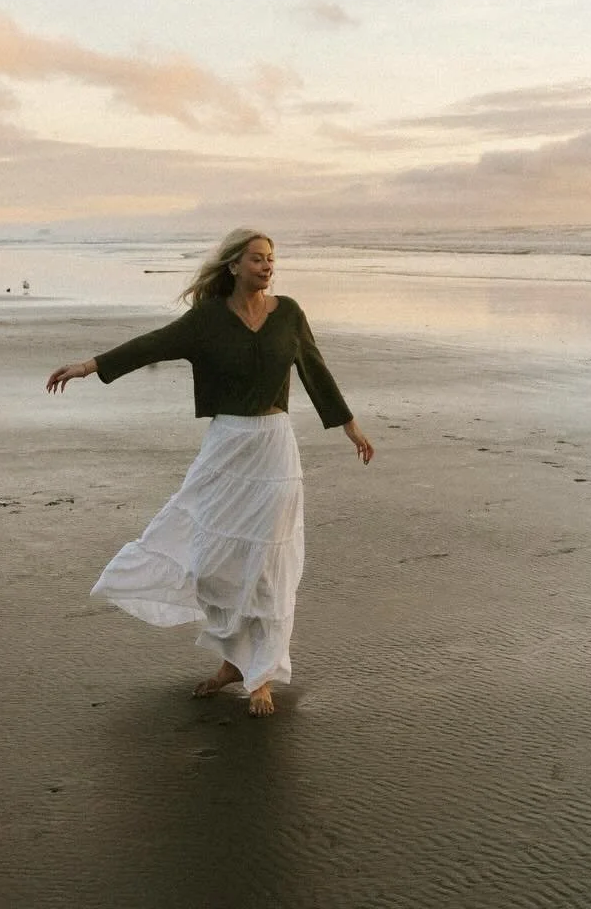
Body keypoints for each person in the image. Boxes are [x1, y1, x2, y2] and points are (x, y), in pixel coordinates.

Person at [46, 228, 373, 717]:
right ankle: (231, 660)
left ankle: (260, 673)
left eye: (271, 259)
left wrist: (350, 427)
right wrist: (89, 366)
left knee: (266, 565)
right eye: (257, 259)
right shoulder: (208, 320)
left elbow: (315, 370)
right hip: (227, 447)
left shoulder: (289, 314)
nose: (267, 266)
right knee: (211, 559)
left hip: (274, 452)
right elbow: (152, 345)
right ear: (234, 266)